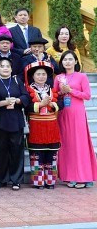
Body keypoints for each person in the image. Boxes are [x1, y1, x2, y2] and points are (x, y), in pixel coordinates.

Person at [54, 50, 97, 188]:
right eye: (65, 59)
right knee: (67, 144)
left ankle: (83, 177)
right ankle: (69, 176)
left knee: (79, 144)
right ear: (61, 62)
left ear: (76, 61)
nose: (67, 62)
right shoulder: (58, 77)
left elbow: (87, 95)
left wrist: (71, 91)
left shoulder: (81, 76)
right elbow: (55, 95)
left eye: (70, 59)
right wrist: (62, 91)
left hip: (77, 113)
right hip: (63, 113)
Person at [0, 57, 30, 190]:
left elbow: (26, 96)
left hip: (16, 119)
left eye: (8, 66)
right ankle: (0, 179)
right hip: (0, 119)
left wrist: (17, 100)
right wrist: (5, 102)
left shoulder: (17, 81)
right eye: (2, 66)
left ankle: (16, 179)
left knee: (17, 150)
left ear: (12, 69)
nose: (5, 68)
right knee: (0, 150)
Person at [25, 61, 60, 189]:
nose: (41, 76)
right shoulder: (28, 90)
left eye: (43, 74)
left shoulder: (52, 90)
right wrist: (40, 104)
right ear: (33, 76)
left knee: (51, 155)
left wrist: (51, 104)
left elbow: (59, 104)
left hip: (51, 126)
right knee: (37, 155)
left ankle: (50, 181)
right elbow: (26, 106)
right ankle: (38, 181)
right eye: (38, 74)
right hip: (36, 125)